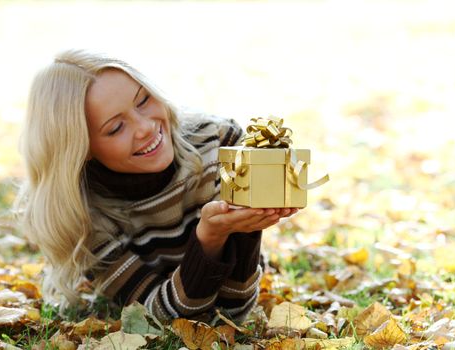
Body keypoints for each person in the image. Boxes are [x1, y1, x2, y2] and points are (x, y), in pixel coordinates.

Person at [16, 49, 297, 322]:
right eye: (116, 128)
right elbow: (165, 317)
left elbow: (233, 312)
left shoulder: (219, 145)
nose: (145, 127)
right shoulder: (82, 216)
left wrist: (246, 227)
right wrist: (210, 237)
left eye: (143, 100)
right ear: (81, 147)